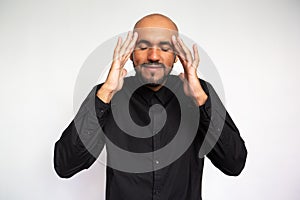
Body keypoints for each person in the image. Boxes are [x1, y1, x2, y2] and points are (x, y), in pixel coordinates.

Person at [54, 13, 247, 200]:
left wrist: (200, 99)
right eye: (143, 46)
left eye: (164, 48)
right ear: (130, 54)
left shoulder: (200, 93)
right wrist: (105, 94)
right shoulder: (107, 94)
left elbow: (233, 163)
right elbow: (65, 165)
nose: (153, 56)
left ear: (177, 56)